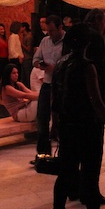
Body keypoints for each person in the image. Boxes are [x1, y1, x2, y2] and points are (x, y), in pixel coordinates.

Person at [51, 23, 105, 209]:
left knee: (65, 174)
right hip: (87, 127)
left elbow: (55, 97)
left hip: (68, 126)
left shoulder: (61, 64)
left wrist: (56, 124)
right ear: (88, 42)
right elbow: (96, 100)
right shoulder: (87, 66)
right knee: (90, 176)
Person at [33, 15, 65, 156]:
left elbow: (70, 62)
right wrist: (40, 65)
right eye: (48, 31)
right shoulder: (45, 41)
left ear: (60, 27)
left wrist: (56, 67)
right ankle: (43, 153)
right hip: (47, 83)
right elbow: (35, 59)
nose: (49, 34)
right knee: (42, 118)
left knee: (61, 119)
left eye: (52, 31)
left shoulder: (68, 41)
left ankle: (63, 154)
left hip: (61, 85)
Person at [20, 22, 34, 87]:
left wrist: (21, 44)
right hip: (24, 58)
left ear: (24, 28)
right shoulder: (24, 36)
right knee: (24, 77)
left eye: (21, 27)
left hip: (28, 59)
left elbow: (29, 49)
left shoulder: (28, 37)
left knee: (27, 76)